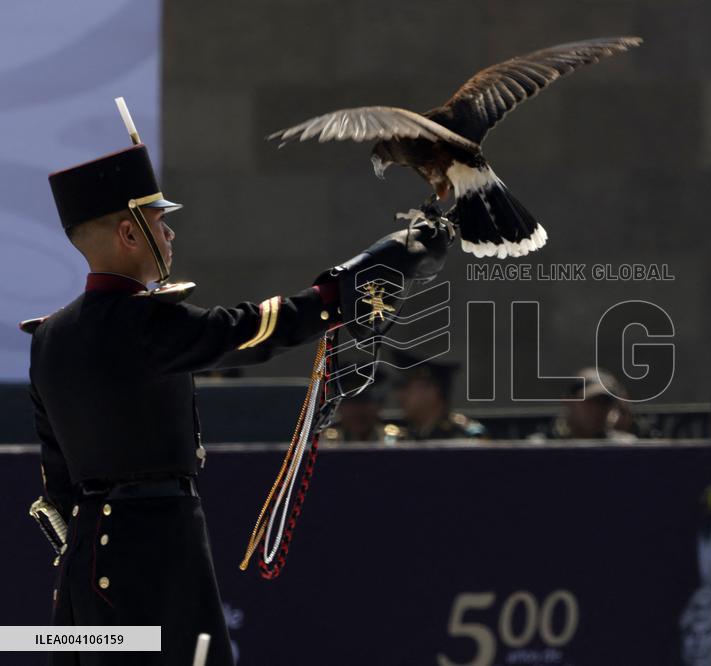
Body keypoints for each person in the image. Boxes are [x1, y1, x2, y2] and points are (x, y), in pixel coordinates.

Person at [24, 133, 448, 666]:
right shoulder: (144, 322)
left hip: (86, 562)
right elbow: (260, 329)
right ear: (130, 233)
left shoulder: (49, 337)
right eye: (160, 221)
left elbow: (57, 483)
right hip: (152, 548)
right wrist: (377, 269)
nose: (171, 232)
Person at [394, 354, 487, 440]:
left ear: (433, 391)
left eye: (407, 387)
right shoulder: (403, 437)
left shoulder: (463, 438)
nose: (401, 395)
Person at [530, 367, 636, 442]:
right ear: (568, 402)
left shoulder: (625, 447)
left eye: (605, 402)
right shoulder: (539, 447)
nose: (597, 409)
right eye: (590, 401)